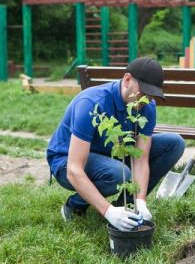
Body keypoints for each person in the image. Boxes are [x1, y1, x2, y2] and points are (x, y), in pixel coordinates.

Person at [47, 57, 185, 231]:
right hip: (67, 161)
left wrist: (140, 200)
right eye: (144, 92)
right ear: (127, 80)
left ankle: (125, 208)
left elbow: (140, 159)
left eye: (151, 95)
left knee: (173, 144)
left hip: (110, 155)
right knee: (118, 174)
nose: (146, 99)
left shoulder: (146, 106)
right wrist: (108, 211)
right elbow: (74, 169)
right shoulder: (91, 103)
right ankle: (74, 206)